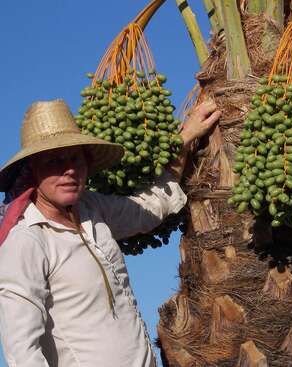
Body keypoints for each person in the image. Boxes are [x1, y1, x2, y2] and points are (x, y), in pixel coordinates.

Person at [0, 98, 221, 367]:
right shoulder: (27, 241)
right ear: (33, 171)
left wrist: (184, 139)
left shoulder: (92, 208)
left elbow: (147, 207)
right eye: (54, 161)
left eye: (75, 159)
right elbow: (22, 350)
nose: (68, 170)